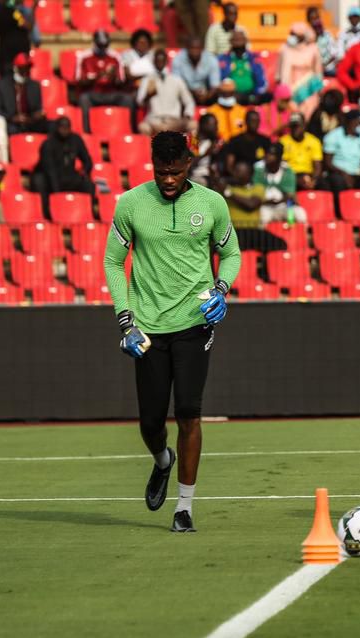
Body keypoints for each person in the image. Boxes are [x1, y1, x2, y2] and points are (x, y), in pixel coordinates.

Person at [103, 130, 241, 533]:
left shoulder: (211, 203)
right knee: (150, 421)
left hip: (195, 323)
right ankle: (162, 460)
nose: (167, 179)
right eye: (161, 171)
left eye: (175, 171)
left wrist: (221, 289)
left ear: (188, 165)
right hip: (147, 326)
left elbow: (230, 253)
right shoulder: (130, 204)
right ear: (153, 166)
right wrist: (125, 320)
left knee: (189, 412)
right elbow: (113, 262)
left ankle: (184, 507)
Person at [31, 116, 94, 219]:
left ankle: (87, 213)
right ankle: (46, 214)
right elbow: (50, 170)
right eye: (62, 127)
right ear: (57, 128)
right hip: (50, 178)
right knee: (39, 180)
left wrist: (84, 172)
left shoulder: (76, 140)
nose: (64, 130)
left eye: (67, 127)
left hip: (68, 175)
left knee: (88, 184)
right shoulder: (48, 144)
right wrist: (58, 194)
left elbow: (87, 161)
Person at [77, 30, 135, 133]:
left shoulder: (115, 56)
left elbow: (120, 82)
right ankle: (86, 133)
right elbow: (79, 82)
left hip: (111, 93)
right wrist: (97, 77)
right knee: (84, 98)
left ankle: (128, 131)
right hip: (93, 94)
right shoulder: (84, 56)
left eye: (105, 45)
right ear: (94, 42)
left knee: (127, 99)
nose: (103, 47)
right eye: (100, 45)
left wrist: (113, 78)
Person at [321, 109, 360, 198]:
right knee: (338, 181)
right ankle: (339, 208)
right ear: (350, 122)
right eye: (359, 123)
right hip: (338, 172)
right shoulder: (333, 136)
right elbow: (328, 162)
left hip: (357, 174)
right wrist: (344, 174)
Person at [137, 49, 197, 135]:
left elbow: (189, 101)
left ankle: (193, 148)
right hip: (154, 120)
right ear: (154, 62)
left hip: (174, 120)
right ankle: (147, 149)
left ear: (166, 62)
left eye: (162, 61)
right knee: (143, 127)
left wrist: (187, 114)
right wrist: (148, 96)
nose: (160, 63)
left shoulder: (177, 80)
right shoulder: (147, 80)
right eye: (158, 61)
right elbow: (140, 102)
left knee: (193, 125)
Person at [254, 142, 306, 226]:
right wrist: (266, 201)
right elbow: (256, 192)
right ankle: (261, 238)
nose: (267, 156)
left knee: (299, 213)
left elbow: (290, 195)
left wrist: (280, 201)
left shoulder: (287, 170)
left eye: (271, 154)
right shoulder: (258, 168)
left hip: (283, 205)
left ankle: (302, 237)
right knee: (262, 218)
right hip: (264, 206)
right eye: (266, 153)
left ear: (279, 157)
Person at [278, 22, 323, 117]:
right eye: (291, 34)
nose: (292, 37)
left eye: (295, 35)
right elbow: (280, 72)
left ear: (302, 36)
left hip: (309, 89)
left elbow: (318, 72)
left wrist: (315, 89)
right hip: (290, 91)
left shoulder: (313, 49)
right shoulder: (285, 49)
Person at [0, 52, 44, 135]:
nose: (26, 71)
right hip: (11, 122)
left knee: (48, 125)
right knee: (10, 129)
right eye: (23, 68)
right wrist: (12, 118)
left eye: (28, 68)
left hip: (30, 121)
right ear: (15, 68)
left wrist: (37, 114)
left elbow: (38, 108)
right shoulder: (2, 85)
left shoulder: (34, 85)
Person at [219, 29, 269, 106]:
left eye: (240, 40)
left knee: (268, 96)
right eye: (235, 40)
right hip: (232, 95)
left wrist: (257, 93)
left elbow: (261, 80)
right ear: (230, 42)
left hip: (252, 93)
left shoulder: (254, 58)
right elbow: (221, 80)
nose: (238, 43)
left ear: (246, 41)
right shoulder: (224, 59)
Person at [171, 36, 221, 106]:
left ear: (202, 49)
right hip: (186, 93)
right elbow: (176, 84)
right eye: (192, 48)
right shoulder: (178, 59)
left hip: (206, 93)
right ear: (186, 48)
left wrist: (207, 96)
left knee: (220, 94)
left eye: (198, 48)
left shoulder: (211, 59)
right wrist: (192, 93)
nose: (195, 52)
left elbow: (215, 85)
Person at [280, 112, 323, 190]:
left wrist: (313, 180)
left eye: (297, 126)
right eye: (293, 127)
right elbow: (282, 166)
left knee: (324, 184)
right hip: (290, 175)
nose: (295, 129)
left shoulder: (314, 141)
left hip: (309, 174)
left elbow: (317, 166)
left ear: (304, 126)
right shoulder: (283, 142)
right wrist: (296, 179)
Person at [219, 159, 264, 230]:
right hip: (231, 232)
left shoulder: (257, 188)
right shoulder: (227, 188)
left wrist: (228, 193)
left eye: (238, 171)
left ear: (249, 174)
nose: (234, 173)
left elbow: (251, 205)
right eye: (234, 170)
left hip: (251, 232)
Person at [222, 109, 270, 176]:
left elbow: (269, 162)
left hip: (259, 177)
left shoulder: (265, 141)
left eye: (257, 121)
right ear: (246, 122)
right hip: (240, 177)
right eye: (252, 121)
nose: (255, 123)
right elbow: (229, 165)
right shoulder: (235, 141)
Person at [0, 0, 31, 78]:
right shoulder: (13, 12)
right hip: (13, 58)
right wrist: (33, 8)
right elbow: (27, 26)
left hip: (5, 56)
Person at [191, 112, 224, 185]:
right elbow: (190, 163)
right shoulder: (192, 140)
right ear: (203, 125)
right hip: (193, 176)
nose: (216, 127)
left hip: (208, 177)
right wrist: (206, 153)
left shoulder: (214, 141)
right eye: (214, 124)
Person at [307, 6, 338, 77]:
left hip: (328, 69)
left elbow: (334, 53)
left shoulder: (327, 34)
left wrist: (323, 66)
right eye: (312, 19)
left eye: (317, 18)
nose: (315, 21)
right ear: (308, 21)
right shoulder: (306, 37)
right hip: (312, 70)